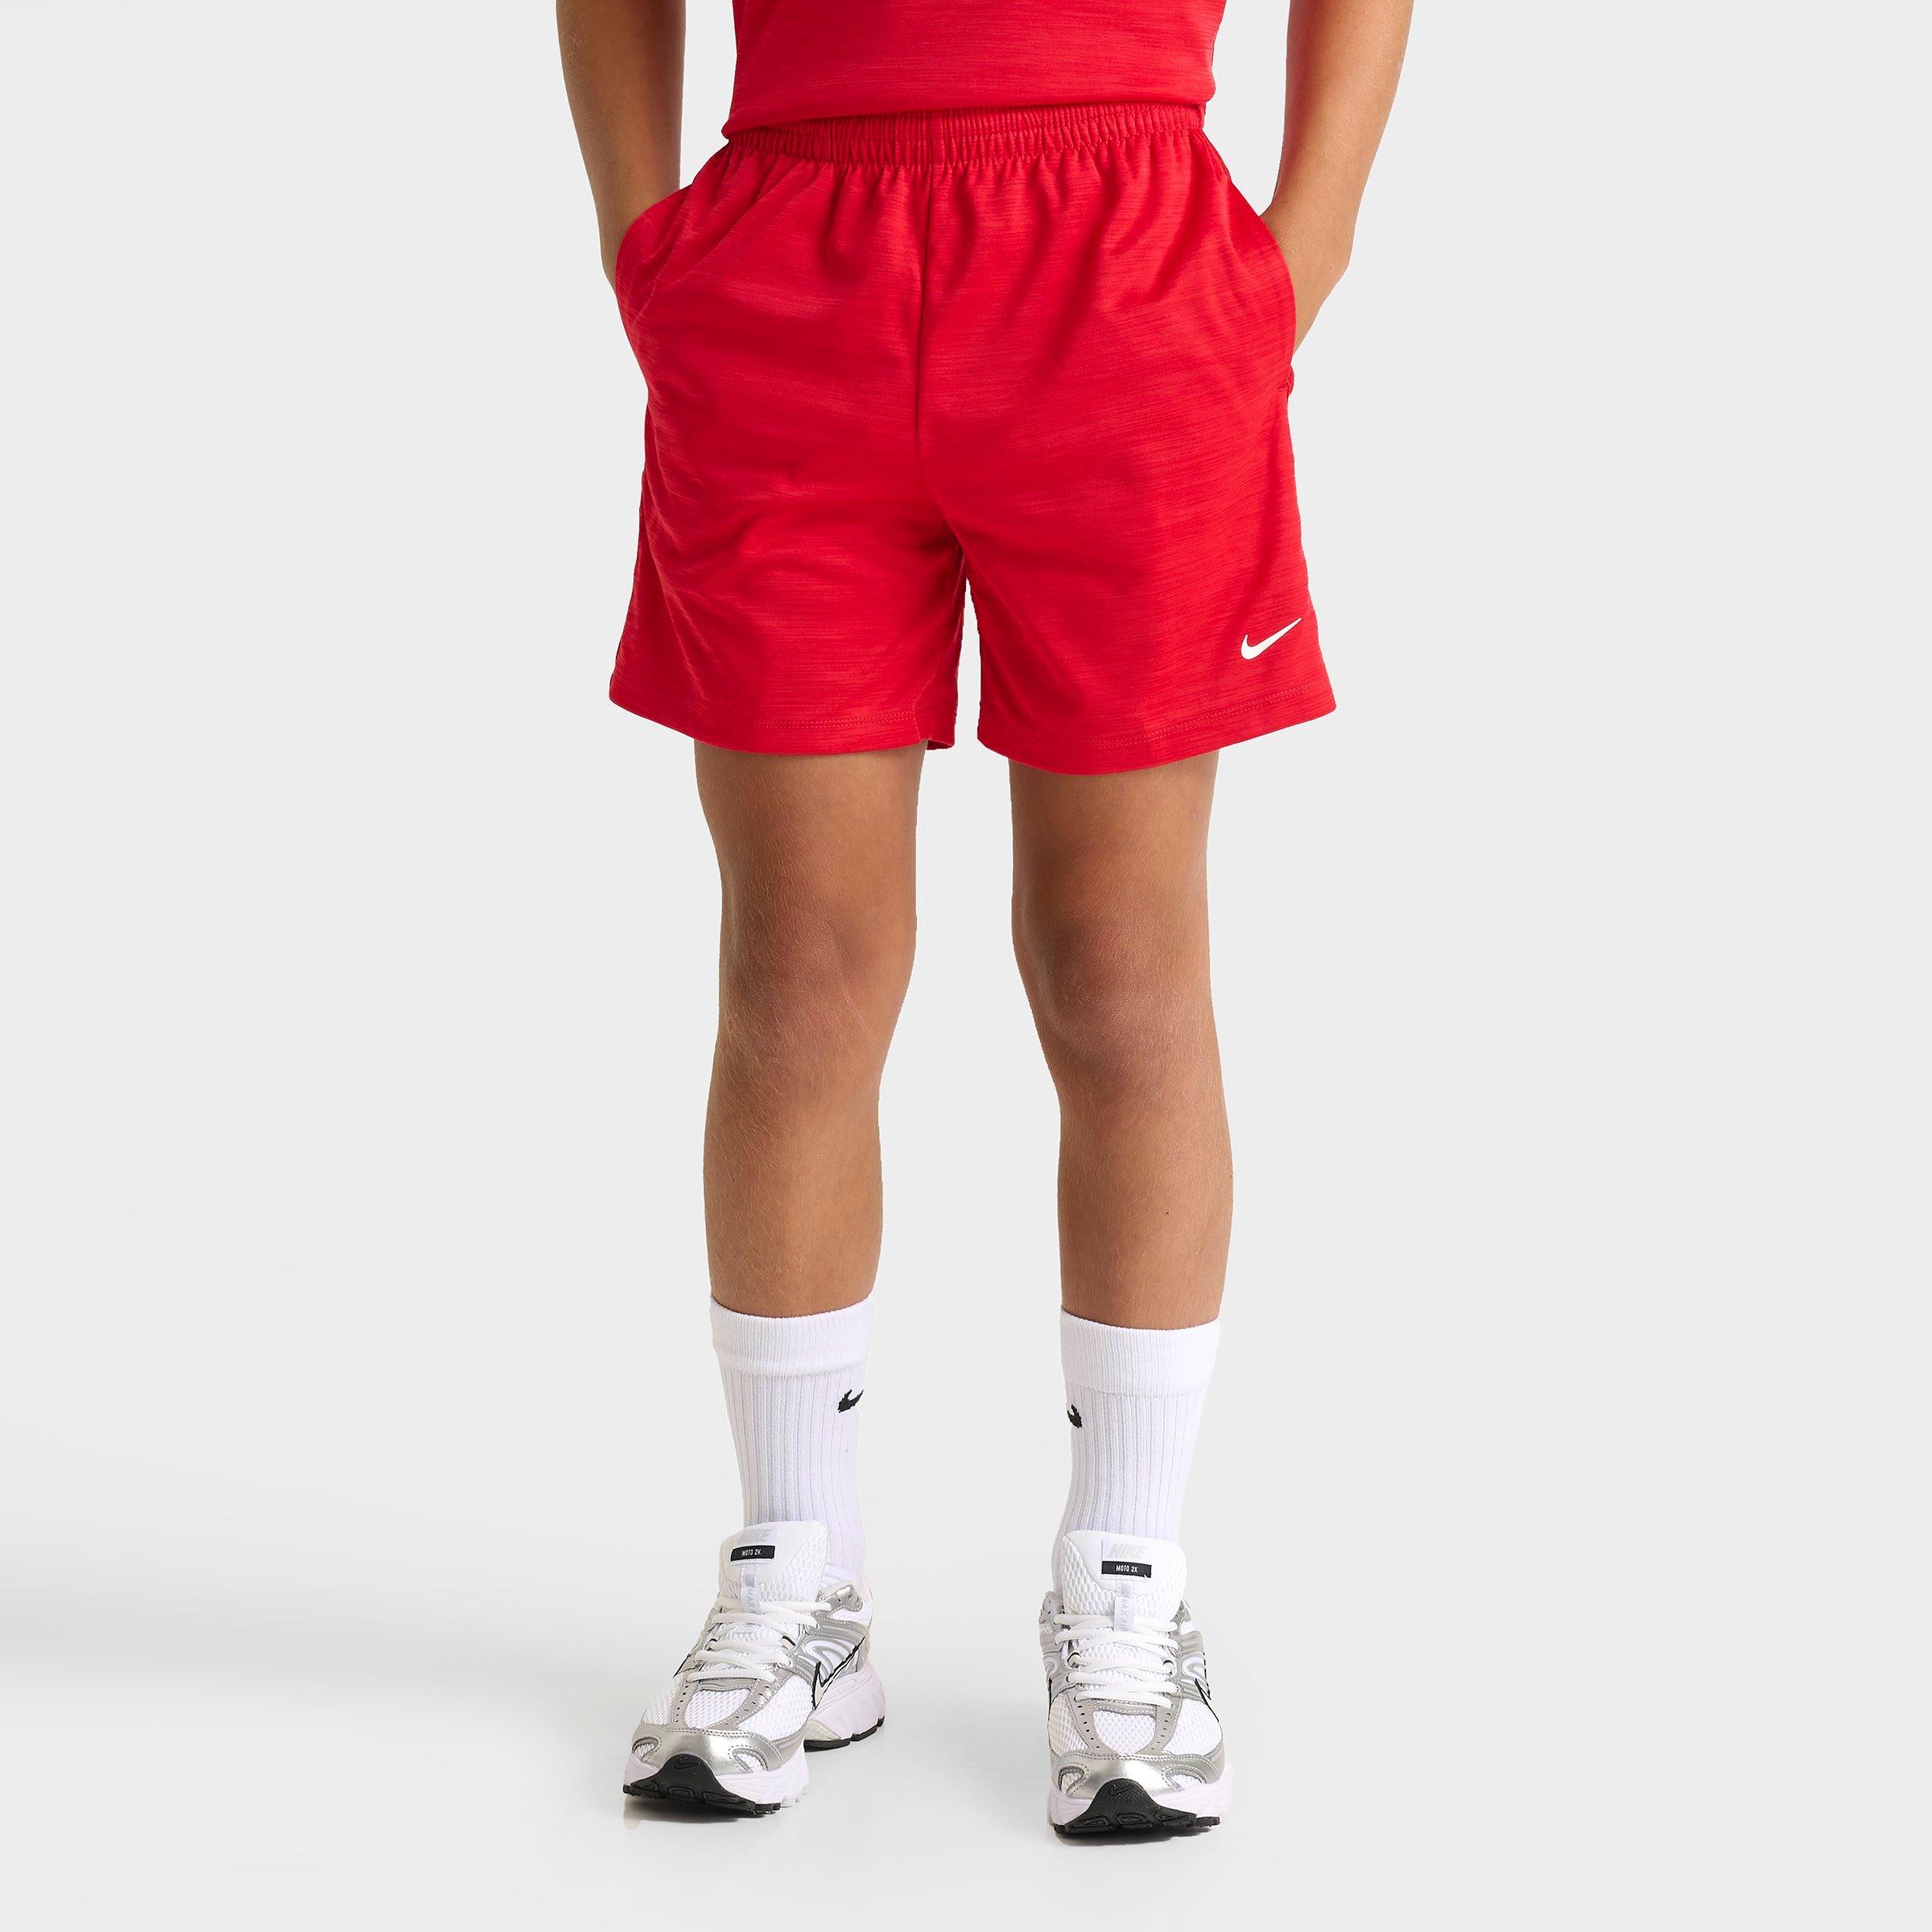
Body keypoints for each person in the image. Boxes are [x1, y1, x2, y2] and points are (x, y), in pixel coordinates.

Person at [558, 0, 1410, 1835]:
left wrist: (1310, 235)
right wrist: (646, 241)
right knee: (798, 969)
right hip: (792, 259)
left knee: (1119, 970)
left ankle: (1128, 1583)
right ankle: (796, 1575)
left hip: (1124, 263)